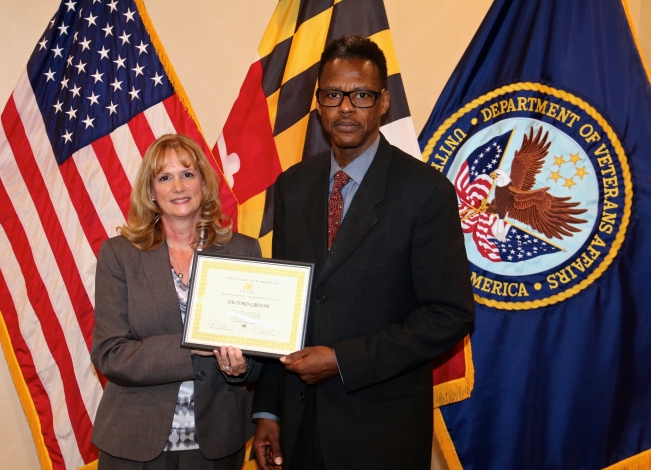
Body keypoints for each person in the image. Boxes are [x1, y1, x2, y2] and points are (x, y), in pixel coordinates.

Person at [251, 35, 475, 469]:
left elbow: (449, 314)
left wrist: (343, 361)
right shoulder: (293, 187)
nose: (347, 108)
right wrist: (268, 411)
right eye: (334, 95)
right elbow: (282, 311)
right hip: (297, 430)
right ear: (318, 103)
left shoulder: (426, 193)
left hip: (379, 435)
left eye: (362, 95)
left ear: (384, 102)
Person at [91, 134, 262, 469]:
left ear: (203, 181)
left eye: (187, 174)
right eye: (164, 178)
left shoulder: (244, 251)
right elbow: (110, 354)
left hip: (217, 442)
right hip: (134, 441)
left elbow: (255, 349)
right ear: (151, 192)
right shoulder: (119, 255)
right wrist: (192, 346)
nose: (178, 187)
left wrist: (241, 367)